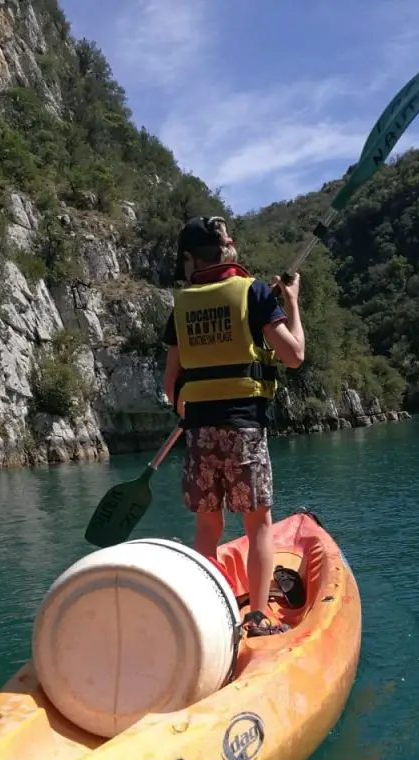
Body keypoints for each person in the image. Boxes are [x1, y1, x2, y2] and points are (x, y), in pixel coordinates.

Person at [162, 215, 305, 638]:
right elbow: (293, 355)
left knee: (208, 527)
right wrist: (291, 303)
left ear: (190, 259)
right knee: (257, 524)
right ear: (226, 248)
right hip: (244, 429)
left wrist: (183, 412)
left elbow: (172, 380)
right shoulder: (255, 292)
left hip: (200, 432)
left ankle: (206, 614)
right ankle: (258, 618)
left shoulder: (181, 306)